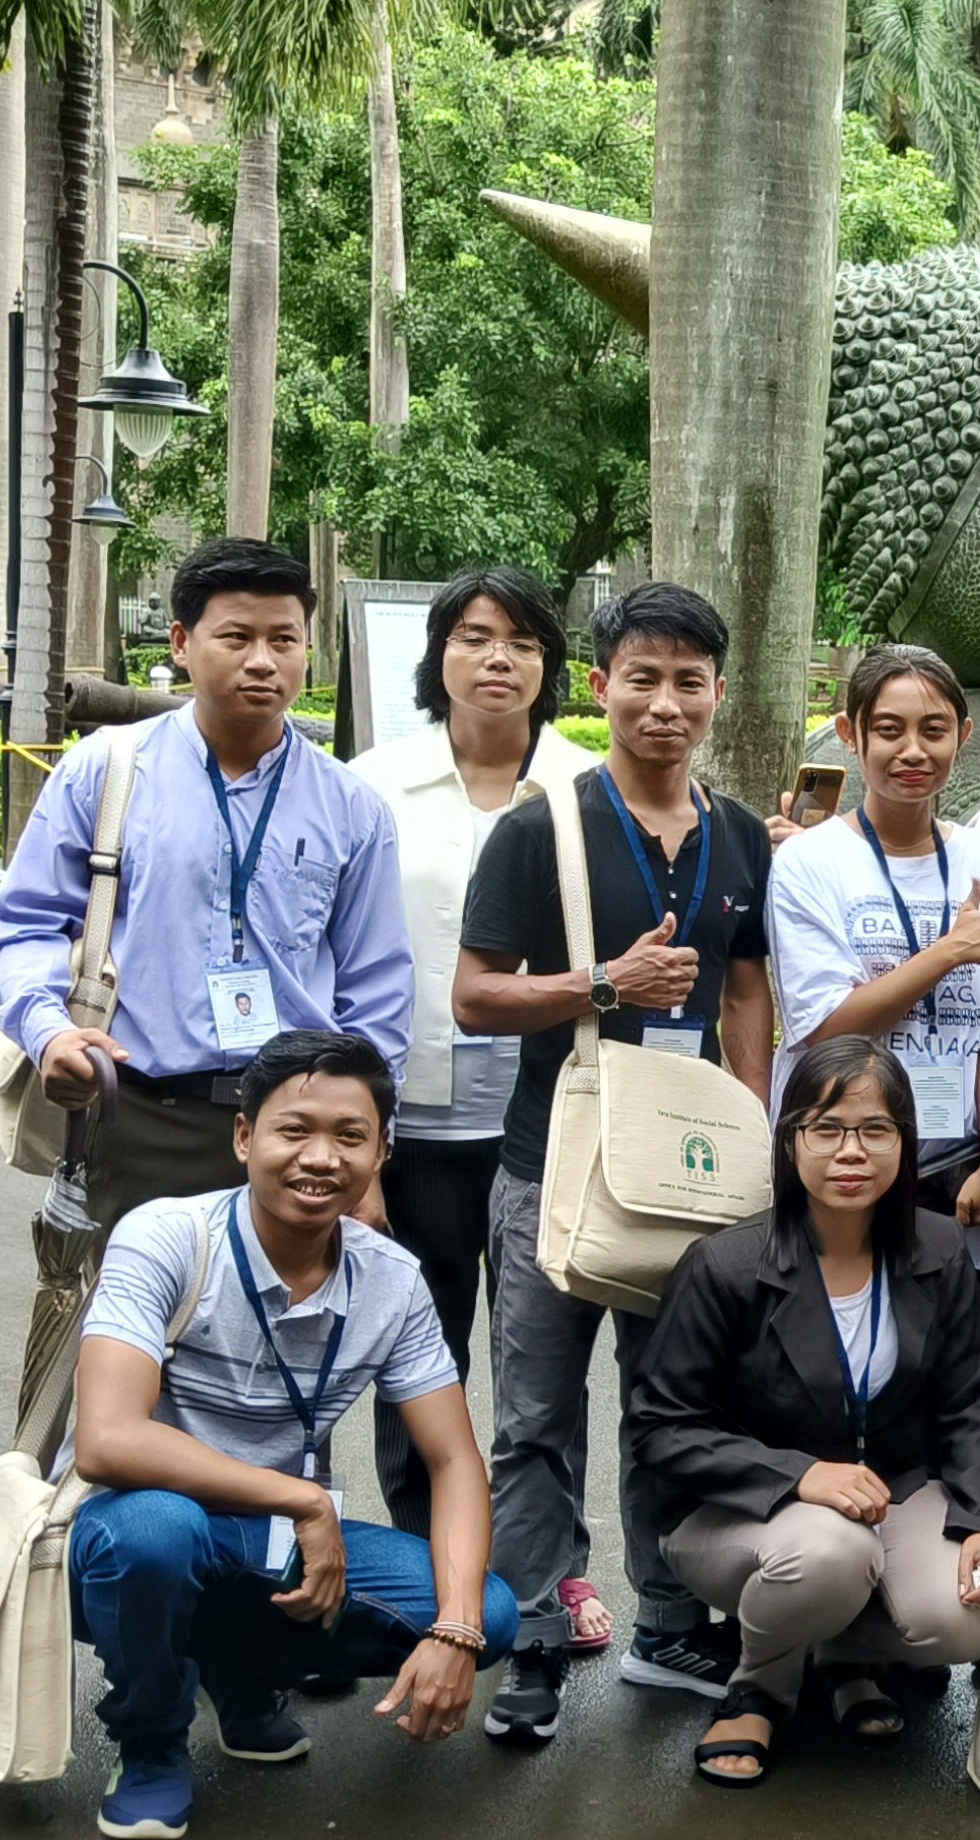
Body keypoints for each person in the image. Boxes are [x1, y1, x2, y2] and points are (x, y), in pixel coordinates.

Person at [450, 581, 777, 1732]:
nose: (665, 701)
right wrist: (601, 984)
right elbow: (475, 996)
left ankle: (669, 1622)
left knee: (670, 1401)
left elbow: (745, 985)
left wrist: (749, 1123)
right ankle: (534, 1630)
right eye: (642, 676)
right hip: (556, 1170)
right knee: (534, 1410)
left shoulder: (738, 833)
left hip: (689, 1176)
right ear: (600, 686)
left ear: (717, 694)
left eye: (690, 680)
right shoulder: (541, 825)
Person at [64, 1031, 520, 1840]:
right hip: (131, 1520)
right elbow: (106, 1439)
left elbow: (452, 1460)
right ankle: (151, 1743)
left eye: (350, 1136)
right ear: (244, 1138)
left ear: (383, 1150)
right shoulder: (167, 1236)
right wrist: (303, 1498)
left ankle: (244, 1681)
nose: (320, 1157)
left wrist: (455, 1629)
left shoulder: (391, 1281)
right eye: (293, 1130)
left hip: (267, 1533)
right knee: (157, 1535)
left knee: (489, 1610)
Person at [627, 1037, 980, 1787]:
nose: (853, 1151)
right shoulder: (727, 1266)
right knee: (829, 1553)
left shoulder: (939, 1248)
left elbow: (969, 1402)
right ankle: (760, 1686)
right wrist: (800, 1474)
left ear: (906, 1142)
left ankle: (844, 1653)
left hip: (894, 1490)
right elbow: (657, 1427)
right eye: (827, 1128)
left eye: (877, 1129)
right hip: (737, 1515)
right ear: (789, 1140)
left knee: (966, 1615)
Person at [0, 537, 414, 1234]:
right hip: (141, 1117)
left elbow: (376, 988)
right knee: (130, 1336)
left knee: (291, 1336)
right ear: (183, 642)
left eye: (285, 639)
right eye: (237, 637)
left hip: (298, 1128)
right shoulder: (106, 772)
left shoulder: (352, 805)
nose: (262, 660)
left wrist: (366, 1149)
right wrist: (48, 1033)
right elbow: (30, 923)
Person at [345, 568, 598, 1549]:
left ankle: (556, 1560)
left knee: (548, 1360)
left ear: (551, 665)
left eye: (525, 642)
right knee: (416, 1350)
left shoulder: (587, 788)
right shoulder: (371, 786)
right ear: (436, 653)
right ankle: (420, 1555)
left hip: (551, 1125)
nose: (499, 658)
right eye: (475, 636)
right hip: (416, 1127)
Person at [770, 643, 980, 1262]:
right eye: (889, 730)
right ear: (849, 735)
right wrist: (949, 951)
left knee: (953, 1344)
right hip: (843, 1153)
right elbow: (827, 1026)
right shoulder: (808, 861)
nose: (913, 750)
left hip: (959, 1158)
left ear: (963, 736)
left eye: (934, 730)